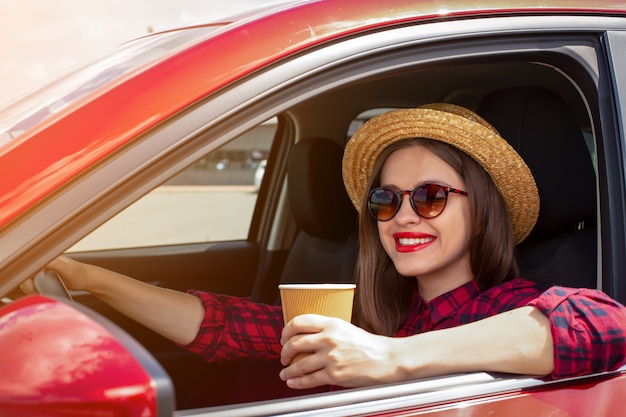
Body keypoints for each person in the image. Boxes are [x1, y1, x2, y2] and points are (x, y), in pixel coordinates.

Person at [21, 103, 626, 391]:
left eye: (432, 196)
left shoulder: (510, 307)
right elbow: (231, 327)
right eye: (385, 201)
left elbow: (600, 324)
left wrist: (388, 358)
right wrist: (87, 277)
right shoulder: (374, 315)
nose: (403, 216)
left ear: (482, 209)